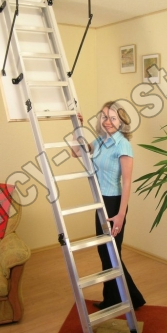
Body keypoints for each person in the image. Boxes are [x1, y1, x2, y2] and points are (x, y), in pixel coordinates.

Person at [72, 101, 146, 310]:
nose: (108, 121)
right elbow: (76, 152)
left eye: (113, 118)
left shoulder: (123, 145)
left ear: (121, 122)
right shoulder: (101, 141)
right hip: (101, 201)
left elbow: (127, 182)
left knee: (111, 253)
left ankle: (130, 299)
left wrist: (121, 214)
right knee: (106, 252)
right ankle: (117, 298)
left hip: (114, 203)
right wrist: (77, 127)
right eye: (104, 116)